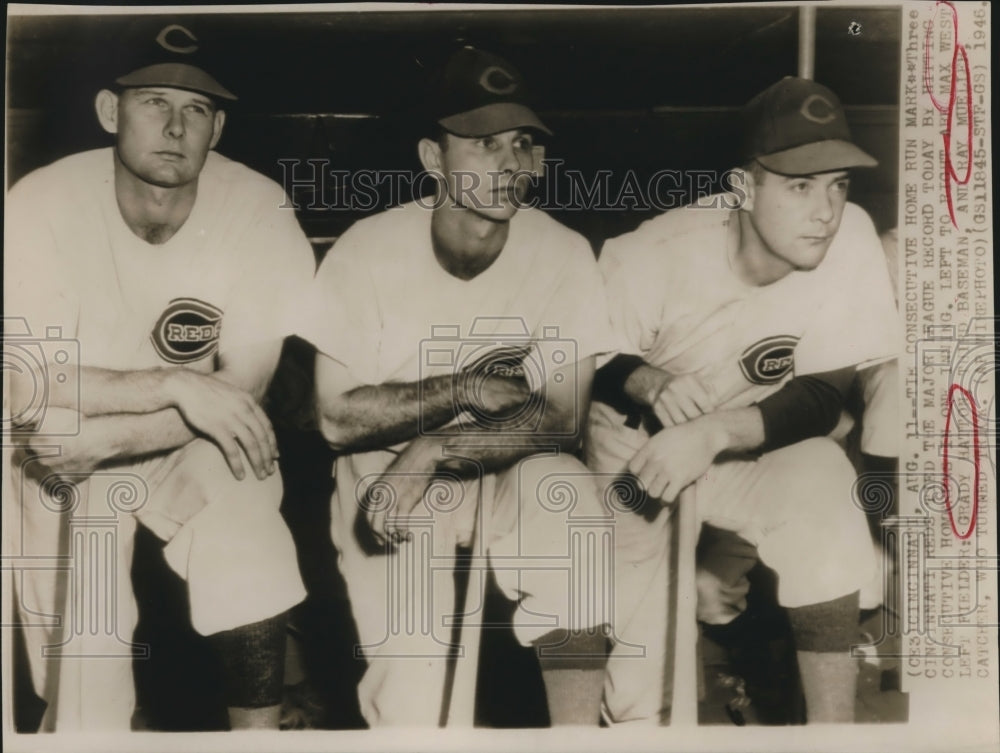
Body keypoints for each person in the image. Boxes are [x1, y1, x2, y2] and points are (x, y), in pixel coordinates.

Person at [5, 22, 312, 731]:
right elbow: (26, 388)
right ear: (110, 112)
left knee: (247, 512)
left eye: (197, 109)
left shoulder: (258, 206)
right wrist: (175, 384)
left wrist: (132, 430)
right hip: (58, 434)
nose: (176, 127)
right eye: (154, 103)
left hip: (181, 434)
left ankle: (261, 735)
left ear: (217, 128)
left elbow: (245, 392)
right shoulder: (40, 201)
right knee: (81, 645)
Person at [297, 46, 618, 726]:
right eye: (483, 143)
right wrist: (466, 389)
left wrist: (437, 448)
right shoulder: (366, 250)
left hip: (501, 467)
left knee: (571, 506)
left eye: (523, 143)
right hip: (385, 471)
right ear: (432, 158)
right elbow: (336, 419)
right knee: (413, 695)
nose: (510, 162)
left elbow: (562, 417)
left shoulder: (562, 251)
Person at [586, 77, 899, 724]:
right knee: (642, 687)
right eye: (800, 185)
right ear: (743, 188)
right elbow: (586, 356)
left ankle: (832, 734)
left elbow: (821, 395)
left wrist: (713, 433)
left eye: (838, 184)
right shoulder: (654, 254)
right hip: (636, 447)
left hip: (746, 438)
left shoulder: (851, 239)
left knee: (823, 477)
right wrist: (650, 381)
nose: (826, 210)